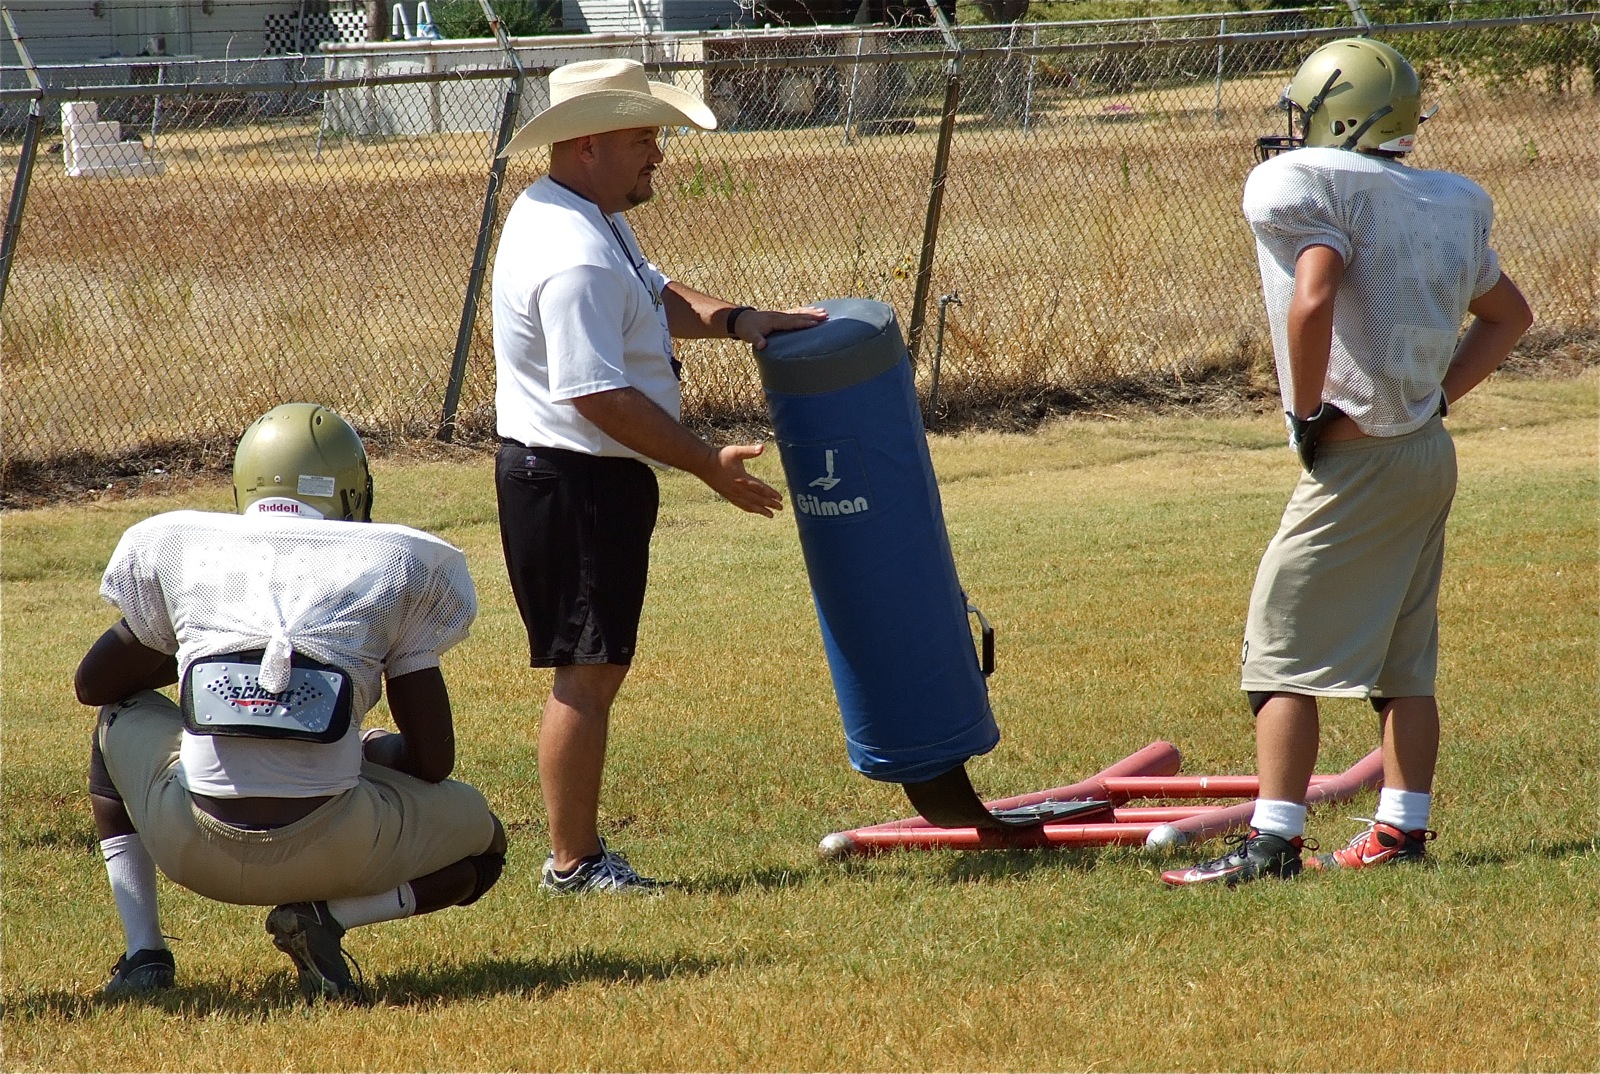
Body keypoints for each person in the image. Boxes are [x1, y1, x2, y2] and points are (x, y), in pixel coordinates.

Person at [1161, 38, 1533, 887]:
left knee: (1277, 650)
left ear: (1340, 113)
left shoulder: (1312, 185)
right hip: (1426, 452)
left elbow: (1316, 294)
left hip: (1358, 457)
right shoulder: (1442, 199)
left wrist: (1303, 410)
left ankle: (1273, 843)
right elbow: (1510, 316)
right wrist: (1439, 398)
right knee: (1405, 661)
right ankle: (1401, 831)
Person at [491, 58, 825, 894]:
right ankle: (574, 865)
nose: (659, 155)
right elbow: (595, 392)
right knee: (587, 672)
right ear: (588, 144)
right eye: (644, 138)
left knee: (595, 666)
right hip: (574, 480)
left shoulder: (581, 213)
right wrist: (706, 463)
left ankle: (576, 858)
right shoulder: (572, 253)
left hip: (585, 478)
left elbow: (649, 292)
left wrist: (739, 320)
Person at [78, 403, 507, 999]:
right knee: (487, 843)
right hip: (341, 846)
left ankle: (143, 954)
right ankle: (329, 918)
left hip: (192, 845)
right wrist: (365, 748)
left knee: (114, 720)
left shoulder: (190, 554)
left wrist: (201, 649)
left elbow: (94, 686)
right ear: (352, 489)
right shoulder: (391, 567)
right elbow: (433, 761)